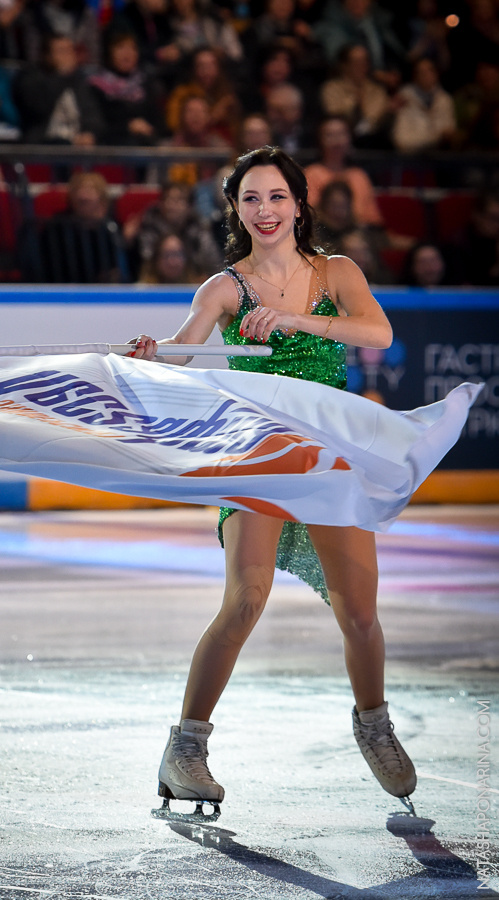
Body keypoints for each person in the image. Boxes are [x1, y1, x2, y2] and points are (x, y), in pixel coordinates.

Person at [129, 145, 416, 817]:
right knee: (244, 599)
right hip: (257, 452)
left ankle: (373, 725)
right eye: (250, 199)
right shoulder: (224, 287)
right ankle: (185, 749)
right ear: (234, 208)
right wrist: (151, 355)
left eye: (276, 197)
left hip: (325, 454)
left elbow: (375, 331)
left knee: (359, 611)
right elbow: (183, 347)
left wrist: (292, 319)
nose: (264, 211)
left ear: (298, 204)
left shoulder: (335, 271)